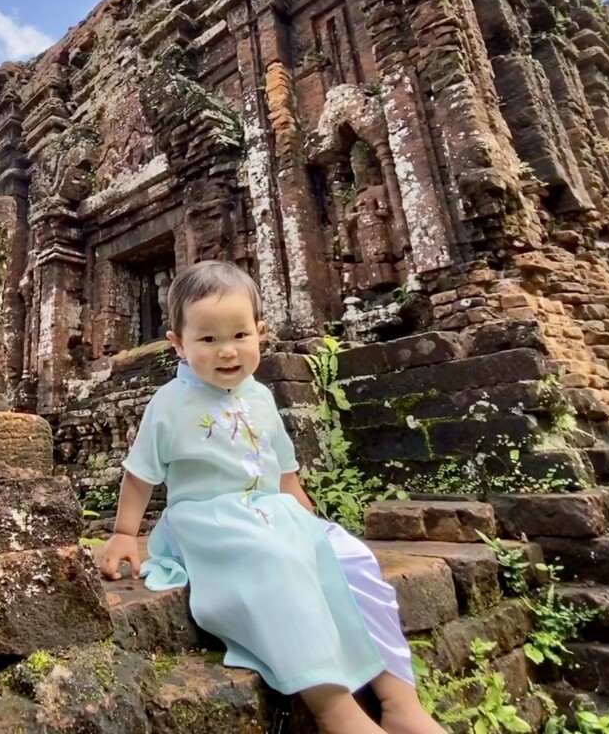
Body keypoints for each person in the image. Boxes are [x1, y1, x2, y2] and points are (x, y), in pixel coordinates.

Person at [99, 260, 444, 734]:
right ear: (178, 344)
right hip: (208, 522)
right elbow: (140, 474)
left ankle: (398, 699)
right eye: (208, 339)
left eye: (240, 335)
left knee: (350, 558)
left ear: (260, 333)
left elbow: (283, 469)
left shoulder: (259, 395)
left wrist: (308, 519)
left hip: (272, 512)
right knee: (275, 565)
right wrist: (124, 533)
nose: (227, 351)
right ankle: (335, 710)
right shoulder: (170, 404)